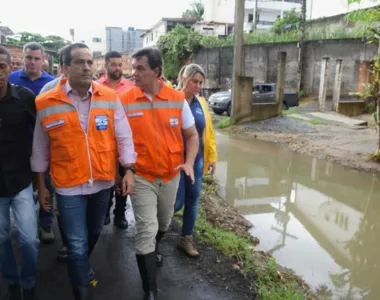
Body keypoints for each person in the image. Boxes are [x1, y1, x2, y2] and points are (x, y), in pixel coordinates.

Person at [31, 43, 136, 299]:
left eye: (90, 62)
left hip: (102, 183)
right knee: (76, 246)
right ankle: (82, 290)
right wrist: (42, 186)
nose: (87, 67)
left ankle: (82, 265)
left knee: (94, 233)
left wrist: (129, 169)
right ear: (65, 68)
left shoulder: (109, 98)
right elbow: (40, 147)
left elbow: (123, 136)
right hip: (67, 186)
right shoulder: (46, 101)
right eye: (80, 62)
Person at [119, 47, 199, 300]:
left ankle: (156, 246)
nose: (134, 73)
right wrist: (125, 171)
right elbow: (118, 140)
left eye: (140, 68)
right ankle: (150, 291)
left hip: (170, 174)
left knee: (163, 222)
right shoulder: (124, 101)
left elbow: (192, 135)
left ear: (156, 71)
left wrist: (188, 162)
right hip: (141, 175)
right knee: (146, 228)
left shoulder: (177, 99)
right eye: (133, 67)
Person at [0, 45, 40, 300]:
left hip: (21, 181)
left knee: (29, 241)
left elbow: (40, 139)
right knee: (1, 238)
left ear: (10, 68)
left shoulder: (25, 98)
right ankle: (12, 280)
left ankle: (28, 282)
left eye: (2, 66)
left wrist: (41, 178)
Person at [8, 42, 56, 245]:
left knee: (46, 184)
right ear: (23, 59)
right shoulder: (11, 79)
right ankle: (21, 223)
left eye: (37, 58)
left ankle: (45, 223)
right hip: (17, 144)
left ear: (44, 60)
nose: (33, 62)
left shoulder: (52, 83)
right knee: (18, 186)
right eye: (29, 58)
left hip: (45, 143)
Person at [174, 64, 217, 258]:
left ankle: (186, 238)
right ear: (184, 79)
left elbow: (207, 132)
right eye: (195, 81)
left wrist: (212, 157)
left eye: (201, 82)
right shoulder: (172, 100)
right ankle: (155, 232)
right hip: (174, 160)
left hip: (196, 160)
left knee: (193, 199)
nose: (198, 86)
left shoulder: (201, 103)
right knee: (176, 203)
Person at [97, 51, 134, 229]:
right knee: (105, 180)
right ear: (105, 66)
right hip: (102, 143)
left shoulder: (130, 87)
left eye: (120, 64)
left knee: (123, 178)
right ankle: (104, 210)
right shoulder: (96, 86)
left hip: (122, 143)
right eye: (113, 64)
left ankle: (120, 213)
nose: (118, 68)